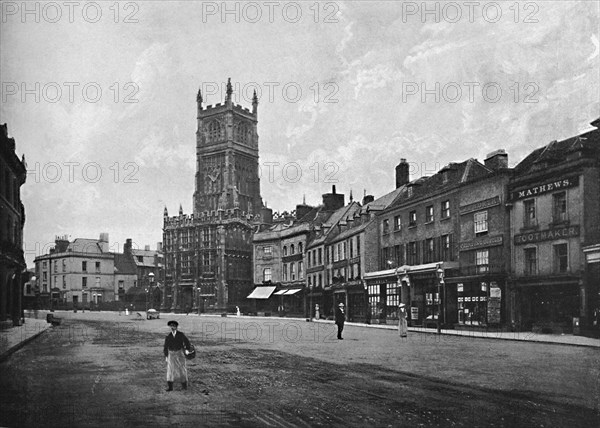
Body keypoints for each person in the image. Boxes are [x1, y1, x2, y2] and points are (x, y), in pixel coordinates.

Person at [163, 320, 192, 391]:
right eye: (171, 326)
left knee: (182, 369)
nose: (172, 327)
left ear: (176, 327)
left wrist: (187, 350)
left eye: (174, 326)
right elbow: (165, 347)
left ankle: (184, 386)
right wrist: (166, 356)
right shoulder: (168, 336)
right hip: (171, 353)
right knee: (170, 370)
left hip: (180, 352)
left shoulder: (181, 334)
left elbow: (187, 342)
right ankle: (170, 387)